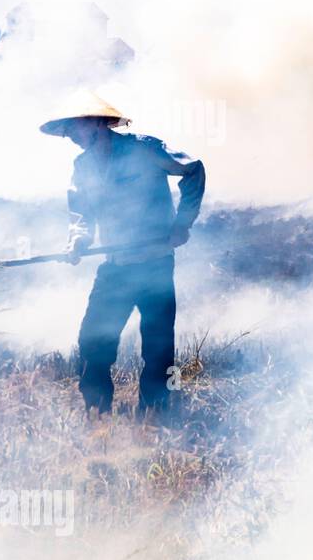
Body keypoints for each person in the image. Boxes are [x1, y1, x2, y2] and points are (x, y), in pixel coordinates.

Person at [40, 95, 206, 416]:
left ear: (96, 123)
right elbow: (82, 214)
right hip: (115, 268)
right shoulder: (82, 166)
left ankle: (154, 415)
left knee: (157, 346)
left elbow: (193, 170)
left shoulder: (144, 148)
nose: (70, 136)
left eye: (73, 127)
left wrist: (182, 224)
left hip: (155, 264)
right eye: (66, 131)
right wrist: (78, 241)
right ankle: (97, 415)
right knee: (92, 342)